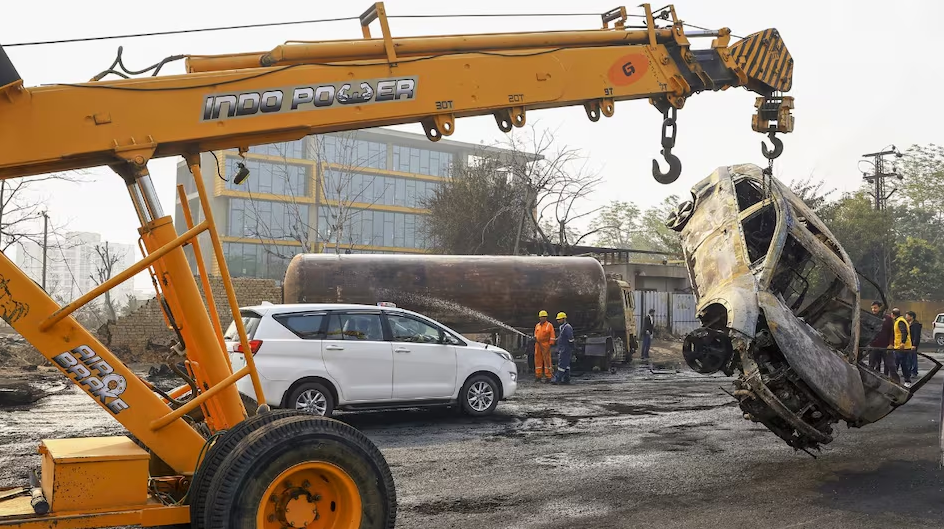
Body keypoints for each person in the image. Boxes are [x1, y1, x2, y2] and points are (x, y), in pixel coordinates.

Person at [867, 301, 896, 382]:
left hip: (886, 347)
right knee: (873, 365)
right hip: (873, 346)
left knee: (890, 365)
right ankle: (873, 381)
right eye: (872, 308)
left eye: (875, 308)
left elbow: (892, 333)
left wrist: (891, 344)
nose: (873, 310)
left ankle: (894, 382)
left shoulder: (888, 319)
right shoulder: (870, 318)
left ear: (880, 308)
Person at [551, 312, 574, 385]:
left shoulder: (567, 327)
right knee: (566, 365)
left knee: (562, 364)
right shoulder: (562, 327)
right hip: (563, 347)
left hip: (566, 348)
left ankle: (557, 379)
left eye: (559, 319)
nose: (558, 321)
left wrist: (571, 346)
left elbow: (570, 338)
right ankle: (567, 379)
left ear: (564, 319)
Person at [533, 310, 556, 383]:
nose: (543, 318)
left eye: (544, 317)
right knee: (538, 360)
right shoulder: (537, 325)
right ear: (539, 318)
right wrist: (535, 338)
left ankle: (548, 376)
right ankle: (538, 376)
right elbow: (536, 334)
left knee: (547, 361)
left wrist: (551, 344)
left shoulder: (549, 325)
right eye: (541, 317)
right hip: (538, 344)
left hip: (546, 345)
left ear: (546, 318)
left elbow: (552, 335)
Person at [891, 307, 911, 386]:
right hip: (900, 346)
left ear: (893, 314)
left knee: (902, 363)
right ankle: (896, 379)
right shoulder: (900, 320)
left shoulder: (900, 321)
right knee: (899, 363)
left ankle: (907, 380)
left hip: (902, 347)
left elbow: (904, 332)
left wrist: (902, 342)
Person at [906, 310, 922, 380]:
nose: (906, 317)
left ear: (911, 317)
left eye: (907, 315)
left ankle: (914, 372)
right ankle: (908, 372)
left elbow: (916, 336)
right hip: (909, 344)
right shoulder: (909, 323)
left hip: (913, 344)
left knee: (913, 358)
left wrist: (914, 345)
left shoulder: (915, 324)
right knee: (908, 359)